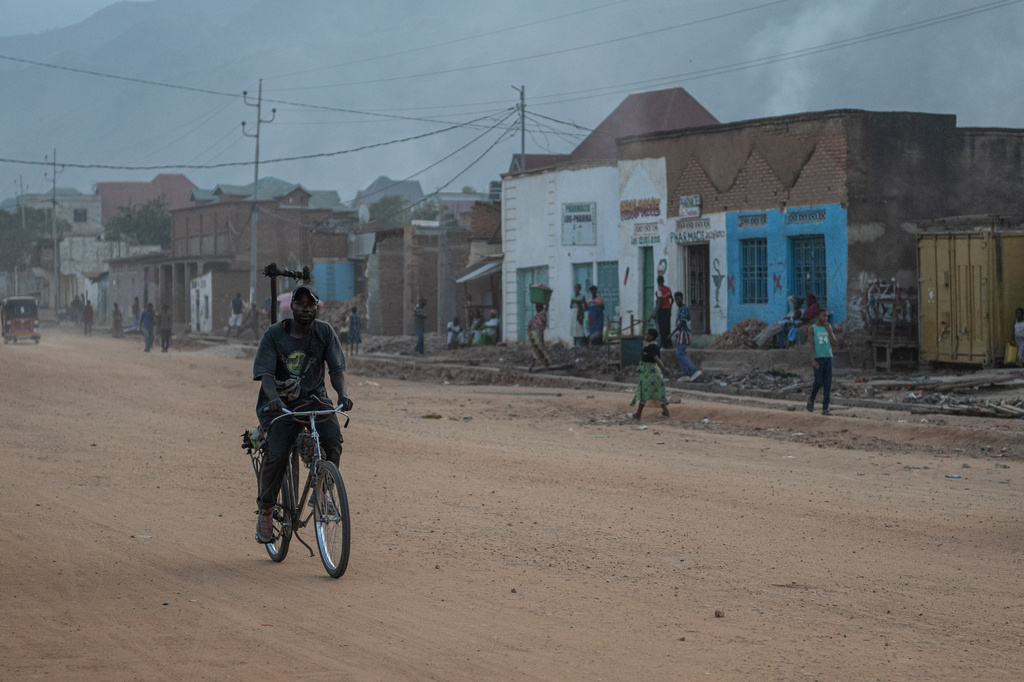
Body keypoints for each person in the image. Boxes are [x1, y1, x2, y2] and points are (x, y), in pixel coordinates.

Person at [252, 284, 352, 544]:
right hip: (281, 405)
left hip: (315, 401)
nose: (305, 308)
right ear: (292, 306)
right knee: (277, 455)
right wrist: (273, 399)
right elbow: (266, 375)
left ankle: (321, 491)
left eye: (311, 304)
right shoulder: (274, 335)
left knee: (333, 441)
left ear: (317, 307)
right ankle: (265, 510)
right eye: (300, 303)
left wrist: (341, 395)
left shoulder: (325, 332)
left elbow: (336, 370)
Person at [628, 328, 671, 420]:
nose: (646, 336)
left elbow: (656, 358)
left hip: (650, 373)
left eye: (648, 335)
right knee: (658, 392)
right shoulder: (653, 345)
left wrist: (663, 369)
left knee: (644, 392)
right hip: (651, 372)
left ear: (652, 336)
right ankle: (665, 412)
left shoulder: (652, 347)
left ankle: (638, 415)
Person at [806, 308, 838, 416]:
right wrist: (812, 359)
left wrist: (830, 331)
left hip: (828, 357)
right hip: (818, 358)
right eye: (823, 316)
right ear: (817, 317)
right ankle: (811, 398)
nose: (825, 318)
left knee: (827, 384)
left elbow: (834, 343)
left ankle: (825, 408)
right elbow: (811, 345)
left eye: (827, 316)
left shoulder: (828, 327)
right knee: (818, 382)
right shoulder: (812, 329)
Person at [671, 291, 702, 382]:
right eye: (676, 299)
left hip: (683, 332)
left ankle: (695, 370)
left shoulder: (683, 309)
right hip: (680, 333)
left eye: (679, 298)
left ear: (682, 298)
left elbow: (682, 322)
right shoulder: (680, 309)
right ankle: (685, 373)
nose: (677, 301)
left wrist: (672, 333)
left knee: (680, 353)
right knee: (679, 353)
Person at [651, 275, 673, 349]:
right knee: (667, 328)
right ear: (663, 281)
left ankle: (664, 345)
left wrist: (655, 314)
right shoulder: (668, 289)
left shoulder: (659, 290)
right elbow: (672, 299)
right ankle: (669, 344)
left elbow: (659, 304)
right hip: (668, 310)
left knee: (662, 329)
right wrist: (670, 306)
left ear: (658, 282)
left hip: (662, 311)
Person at [527, 302, 551, 371]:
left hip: (533, 334)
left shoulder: (536, 316)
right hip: (537, 334)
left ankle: (534, 364)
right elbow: (546, 309)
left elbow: (529, 326)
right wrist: (546, 300)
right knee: (540, 349)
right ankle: (546, 363)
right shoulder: (542, 315)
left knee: (536, 350)